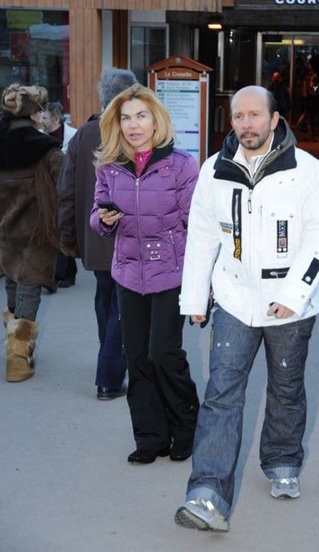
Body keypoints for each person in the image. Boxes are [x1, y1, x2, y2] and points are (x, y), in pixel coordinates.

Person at [174, 85, 319, 532]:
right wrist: (194, 298)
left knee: (286, 386)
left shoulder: (308, 171)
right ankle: (207, 494)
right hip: (234, 299)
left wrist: (294, 294)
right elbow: (201, 237)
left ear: (274, 119)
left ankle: (283, 460)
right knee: (221, 393)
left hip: (291, 306)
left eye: (255, 115)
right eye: (238, 116)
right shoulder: (215, 169)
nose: (246, 124)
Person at [90, 84, 200, 462]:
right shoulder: (109, 166)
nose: (133, 125)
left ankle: (186, 428)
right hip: (128, 273)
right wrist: (104, 220)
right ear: (116, 124)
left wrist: (204, 281)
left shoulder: (181, 165)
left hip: (171, 272)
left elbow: (196, 225)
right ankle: (151, 438)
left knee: (164, 354)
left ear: (156, 120)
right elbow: (97, 216)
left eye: (141, 116)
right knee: (137, 358)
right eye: (125, 118)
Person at [57, 68, 137, 400]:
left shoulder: (84, 134)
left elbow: (66, 190)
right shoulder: (135, 133)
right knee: (122, 304)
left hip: (94, 237)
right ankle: (109, 376)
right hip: (129, 236)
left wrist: (68, 237)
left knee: (105, 297)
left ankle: (109, 360)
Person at [0, 84, 64, 382]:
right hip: (36, 230)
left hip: (4, 229)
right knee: (29, 286)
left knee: (13, 280)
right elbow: (64, 186)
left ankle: (16, 341)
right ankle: (17, 356)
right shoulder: (47, 149)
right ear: (35, 114)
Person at [41, 101, 78, 290]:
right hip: (48, 190)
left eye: (45, 117)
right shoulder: (40, 137)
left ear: (56, 119)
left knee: (63, 229)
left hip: (67, 189)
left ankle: (63, 274)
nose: (41, 121)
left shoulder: (74, 135)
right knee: (56, 231)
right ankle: (63, 273)